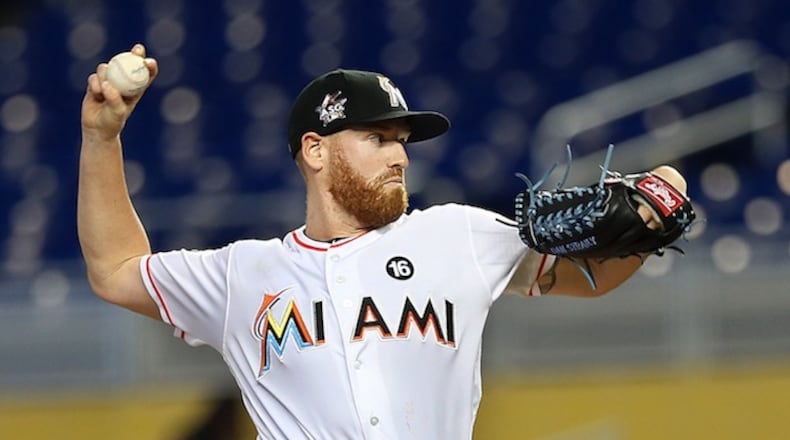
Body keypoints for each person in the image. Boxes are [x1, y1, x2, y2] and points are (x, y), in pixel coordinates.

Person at [79, 44, 688, 439]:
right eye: (377, 137)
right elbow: (115, 269)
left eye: (403, 140)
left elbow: (594, 275)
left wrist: (650, 218)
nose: (400, 154)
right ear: (315, 150)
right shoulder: (244, 276)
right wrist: (102, 138)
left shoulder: (458, 235)